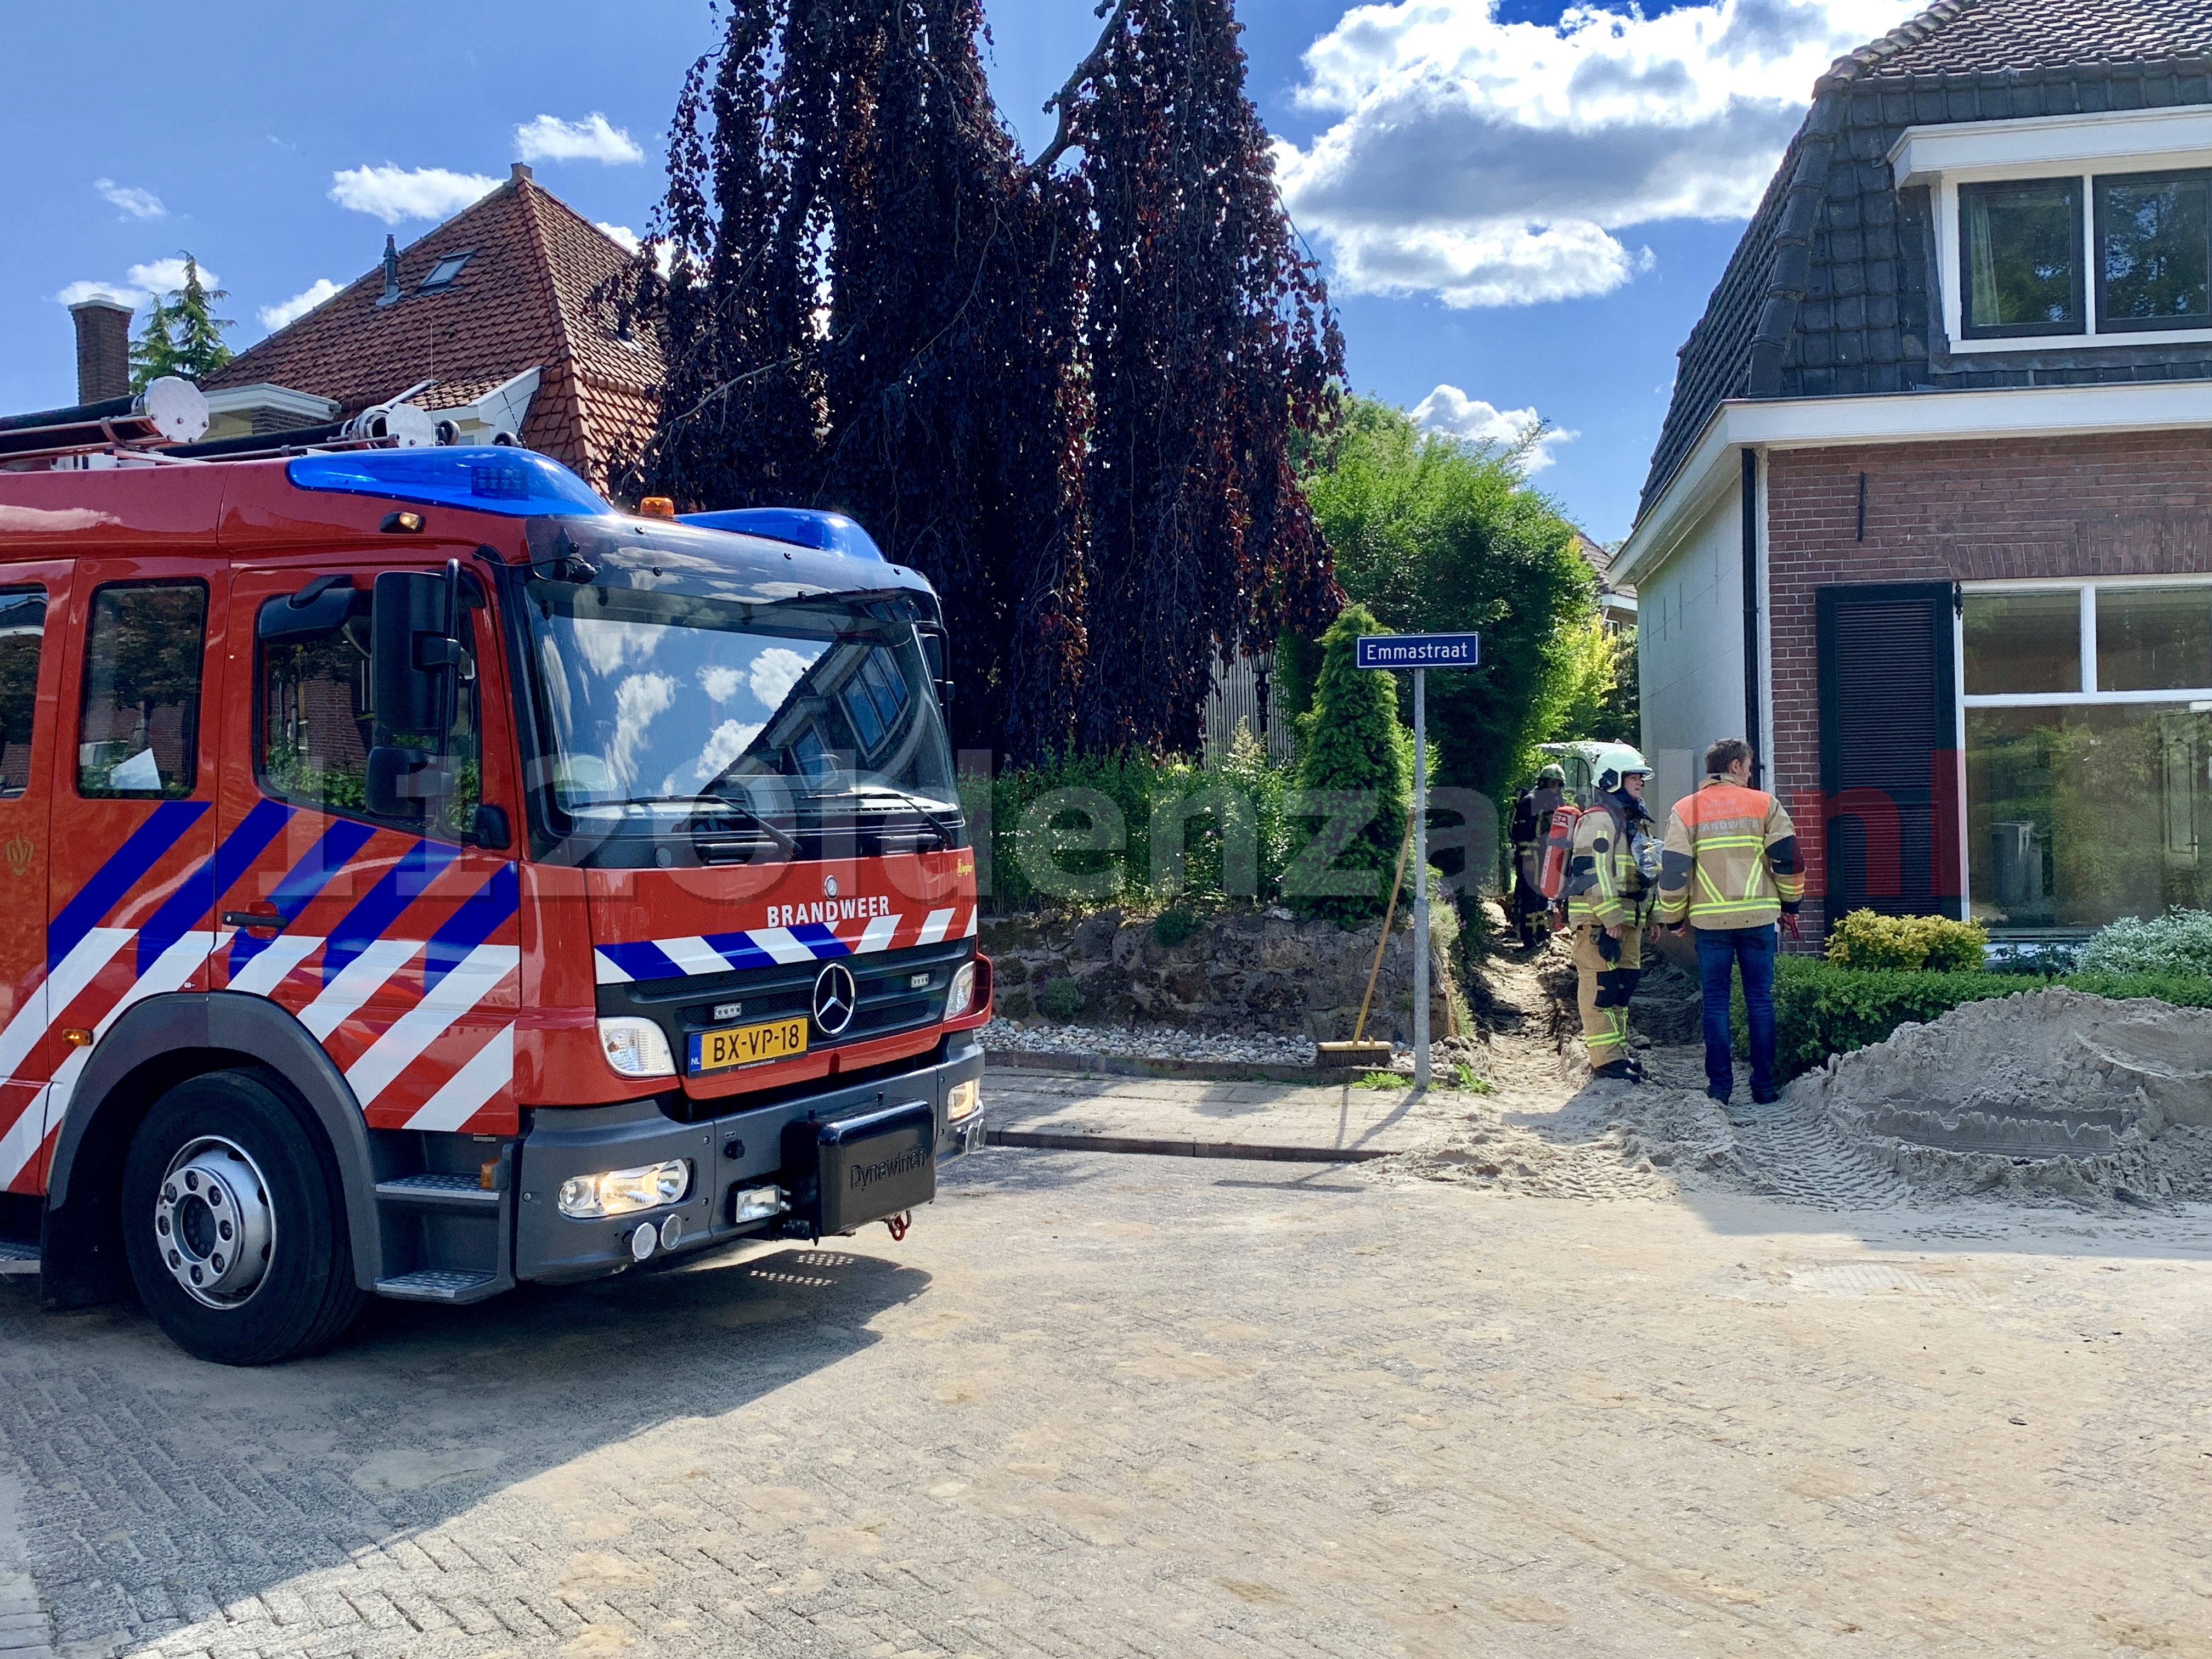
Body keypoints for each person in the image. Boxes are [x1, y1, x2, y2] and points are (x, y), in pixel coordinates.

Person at [1653, 738, 1804, 1106]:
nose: (1751, 773)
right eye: (1749, 767)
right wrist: (1791, 905)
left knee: (1716, 1001)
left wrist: (1673, 917)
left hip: (1709, 922)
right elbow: (1789, 860)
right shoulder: (1764, 805)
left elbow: (1674, 872)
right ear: (1736, 766)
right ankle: (1764, 1086)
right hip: (1757, 920)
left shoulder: (1686, 810)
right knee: (1759, 1000)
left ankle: (1720, 1089)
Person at [1561, 751, 1658, 1082]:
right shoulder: (1599, 819)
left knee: (1623, 986)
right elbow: (1593, 872)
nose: (1640, 783)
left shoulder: (1631, 821)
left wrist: (1653, 915)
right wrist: (1611, 917)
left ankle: (1616, 1053)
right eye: (1634, 777)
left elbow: (1644, 873)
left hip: (1628, 920)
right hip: (1600, 922)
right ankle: (1604, 1060)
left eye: (1641, 778)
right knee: (1602, 987)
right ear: (1612, 780)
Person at [1507, 763, 1567, 949]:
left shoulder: (1558, 803)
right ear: (1542, 782)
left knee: (1544, 894)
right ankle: (1527, 936)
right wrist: (1528, 859)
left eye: (1558, 784)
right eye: (1551, 783)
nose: (1554, 787)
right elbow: (1521, 833)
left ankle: (1541, 930)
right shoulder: (1531, 801)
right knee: (1529, 895)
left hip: (1549, 856)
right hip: (1531, 857)